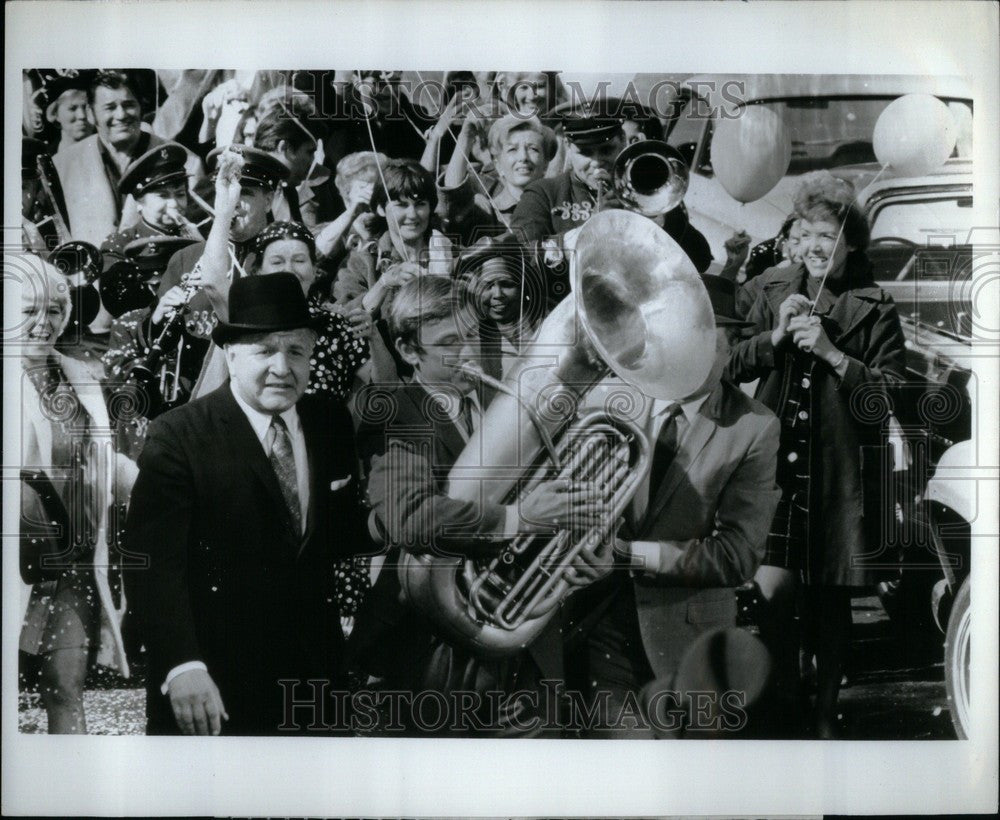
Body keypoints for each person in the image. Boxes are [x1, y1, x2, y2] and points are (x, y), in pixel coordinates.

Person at [351, 274, 600, 735]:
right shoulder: (395, 412)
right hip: (432, 653)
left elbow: (555, 504)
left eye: (469, 336)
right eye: (448, 342)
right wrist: (519, 517)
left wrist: (582, 553)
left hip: (518, 649)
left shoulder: (497, 405)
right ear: (409, 351)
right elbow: (412, 519)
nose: (465, 351)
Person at [125, 272, 370, 735]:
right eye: (265, 351)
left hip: (314, 680)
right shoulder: (178, 435)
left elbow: (334, 534)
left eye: (296, 351)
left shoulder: (328, 421)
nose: (283, 367)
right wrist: (181, 665)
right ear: (230, 356)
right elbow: (151, 564)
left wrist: (389, 524)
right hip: (214, 681)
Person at [726, 172, 907, 738]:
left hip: (837, 476)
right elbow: (727, 367)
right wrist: (774, 339)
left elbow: (887, 395)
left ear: (850, 242)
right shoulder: (772, 288)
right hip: (773, 471)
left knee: (830, 604)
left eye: (826, 235)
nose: (812, 247)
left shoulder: (874, 306)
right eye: (803, 234)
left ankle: (826, 714)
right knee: (772, 594)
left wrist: (834, 355)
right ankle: (786, 700)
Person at [565, 273, 782, 738]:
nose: (690, 352)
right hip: (601, 625)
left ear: (729, 351)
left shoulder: (754, 427)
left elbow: (738, 555)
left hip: (687, 640)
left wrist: (632, 555)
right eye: (682, 337)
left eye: (707, 341)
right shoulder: (615, 397)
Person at [18, 255, 137, 733]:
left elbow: (104, 461)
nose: (43, 322)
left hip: (71, 564)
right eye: (29, 309)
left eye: (53, 310)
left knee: (66, 692)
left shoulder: (80, 375)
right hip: (12, 563)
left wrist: (157, 488)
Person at [333, 159, 454, 383]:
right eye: (400, 204)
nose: (412, 214)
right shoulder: (362, 260)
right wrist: (384, 283)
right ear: (380, 208)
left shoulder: (448, 252)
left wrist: (445, 277)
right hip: (393, 382)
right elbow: (342, 319)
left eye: (420, 204)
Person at [53, 70, 202, 245]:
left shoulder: (187, 162)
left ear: (141, 107)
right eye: (110, 107)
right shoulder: (63, 165)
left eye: (129, 104)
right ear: (90, 113)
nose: (121, 115)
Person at [439, 113, 559, 243]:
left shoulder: (559, 209)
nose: (523, 157)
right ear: (498, 165)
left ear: (546, 164)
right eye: (512, 149)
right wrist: (466, 137)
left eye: (533, 149)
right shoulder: (487, 212)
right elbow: (453, 192)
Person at [100, 142, 199, 265]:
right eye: (163, 195)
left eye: (180, 194)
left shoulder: (199, 234)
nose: (174, 203)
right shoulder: (118, 245)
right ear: (139, 202)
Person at [253, 95, 332, 228]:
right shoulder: (245, 190)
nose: (312, 161)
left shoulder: (289, 193)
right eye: (309, 152)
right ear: (284, 147)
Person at [42, 72, 95, 157]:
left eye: (86, 107)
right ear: (55, 114)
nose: (82, 115)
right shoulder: (48, 157)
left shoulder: (110, 153)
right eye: (72, 108)